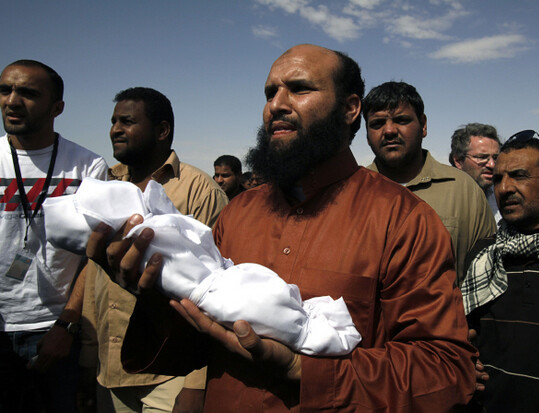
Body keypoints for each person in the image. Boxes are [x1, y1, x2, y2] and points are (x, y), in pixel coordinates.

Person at [89, 44, 477, 412]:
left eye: (299, 89)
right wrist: (153, 289)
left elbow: (443, 369)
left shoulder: (404, 219)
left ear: (349, 108)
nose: (276, 105)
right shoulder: (238, 214)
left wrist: (302, 369)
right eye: (269, 92)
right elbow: (196, 339)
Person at [76, 87, 228, 413]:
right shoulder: (105, 187)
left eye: (127, 121)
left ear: (162, 130)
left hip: (169, 371)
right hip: (111, 367)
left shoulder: (199, 190)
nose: (115, 129)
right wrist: (89, 357)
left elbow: (215, 292)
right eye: (113, 121)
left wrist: (195, 383)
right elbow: (95, 276)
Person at [0, 60, 108, 412]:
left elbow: (95, 256)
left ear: (57, 107)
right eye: (5, 90)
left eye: (28, 93)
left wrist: (68, 324)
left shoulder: (88, 167)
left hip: (53, 330)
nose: (12, 101)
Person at [461, 131, 539, 412]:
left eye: (519, 176)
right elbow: (465, 338)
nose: (504, 188)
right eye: (498, 179)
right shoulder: (483, 257)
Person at [363, 82, 496, 284]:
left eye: (401, 120)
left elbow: (486, 277)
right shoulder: (353, 193)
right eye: (377, 124)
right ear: (366, 134)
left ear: (423, 125)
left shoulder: (463, 190)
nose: (389, 131)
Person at [449, 123, 502, 223]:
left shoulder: (502, 195)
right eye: (482, 158)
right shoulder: (446, 200)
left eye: (496, 158)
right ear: (458, 161)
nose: (492, 165)